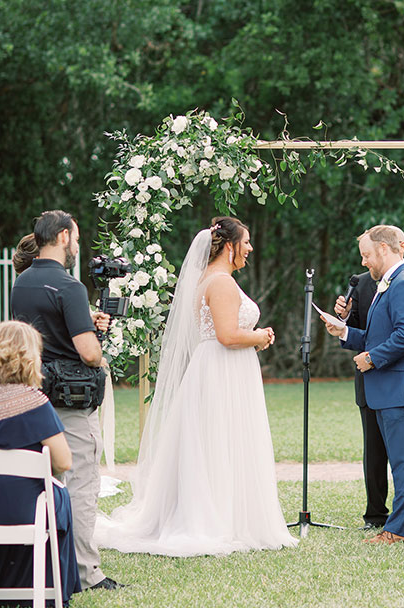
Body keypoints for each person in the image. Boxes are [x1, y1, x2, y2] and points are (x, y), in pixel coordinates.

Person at [95, 216, 298, 557]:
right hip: (221, 371)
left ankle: (229, 514)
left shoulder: (213, 279)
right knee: (218, 440)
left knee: (221, 441)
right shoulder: (219, 282)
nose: (250, 248)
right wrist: (260, 336)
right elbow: (227, 335)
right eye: (245, 242)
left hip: (223, 369)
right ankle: (216, 520)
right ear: (230, 245)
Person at [10, 209, 118, 591]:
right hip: (72, 400)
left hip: (34, 395)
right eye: (75, 237)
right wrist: (100, 353)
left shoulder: (21, 283)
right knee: (82, 483)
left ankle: (49, 563)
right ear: (61, 238)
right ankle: (86, 573)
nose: (77, 246)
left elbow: (42, 333)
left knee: (45, 481)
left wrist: (84, 320)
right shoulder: (70, 286)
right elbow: (88, 352)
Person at [323, 224, 404, 544]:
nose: (364, 262)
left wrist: (371, 358)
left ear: (384, 250)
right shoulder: (388, 284)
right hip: (396, 387)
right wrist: (344, 333)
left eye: (367, 255)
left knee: (403, 462)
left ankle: (397, 529)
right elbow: (380, 334)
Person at [0, 320, 81, 604]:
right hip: (23, 511)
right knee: (59, 496)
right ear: (30, 356)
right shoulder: (33, 402)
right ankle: (49, 588)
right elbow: (64, 462)